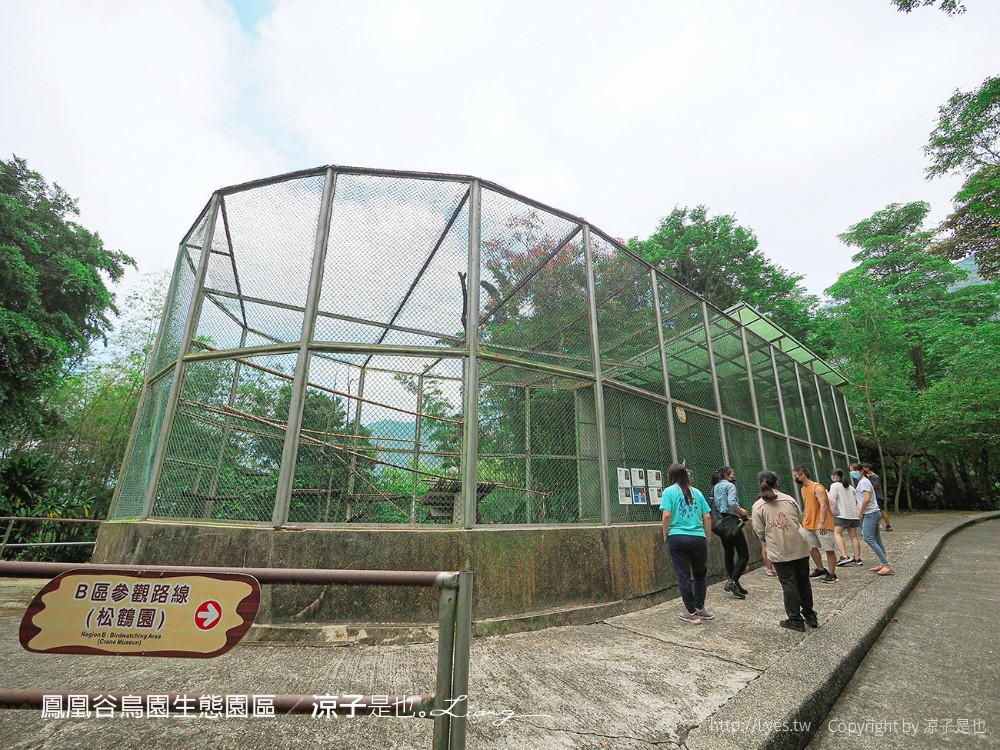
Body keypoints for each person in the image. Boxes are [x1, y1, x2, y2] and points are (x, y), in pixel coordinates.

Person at [752, 470, 817, 632]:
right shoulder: (790, 500)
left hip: (779, 549)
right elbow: (799, 520)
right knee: (803, 582)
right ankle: (810, 615)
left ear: (761, 483)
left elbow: (759, 530)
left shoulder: (758, 506)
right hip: (799, 547)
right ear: (777, 482)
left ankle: (795, 619)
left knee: (789, 584)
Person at [660, 463, 714, 624]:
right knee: (700, 573)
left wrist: (665, 533)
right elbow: (708, 516)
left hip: (677, 537)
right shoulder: (697, 492)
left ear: (671, 476)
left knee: (683, 574)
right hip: (698, 537)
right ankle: (700, 607)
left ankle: (690, 611)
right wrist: (707, 536)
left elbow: (667, 515)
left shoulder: (668, 491)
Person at [710, 466, 750, 600]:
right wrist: (741, 511)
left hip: (721, 524)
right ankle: (732, 581)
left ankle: (735, 582)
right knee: (744, 554)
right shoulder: (730, 486)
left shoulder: (715, 486)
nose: (734, 476)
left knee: (729, 552)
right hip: (731, 522)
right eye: (732, 474)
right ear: (727, 475)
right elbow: (732, 503)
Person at [793, 466, 838, 584]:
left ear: (802, 475)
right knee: (812, 547)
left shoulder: (817, 487)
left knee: (828, 548)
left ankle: (832, 573)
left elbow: (824, 505)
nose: (796, 478)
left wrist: (821, 522)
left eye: (796, 476)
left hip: (821, 523)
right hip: (808, 523)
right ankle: (820, 569)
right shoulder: (803, 489)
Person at [851, 462, 894, 575]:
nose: (852, 473)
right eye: (850, 470)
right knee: (876, 539)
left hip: (871, 513)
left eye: (853, 470)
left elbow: (866, 499)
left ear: (861, 471)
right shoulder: (862, 482)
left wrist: (861, 512)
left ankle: (886, 564)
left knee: (868, 538)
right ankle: (884, 562)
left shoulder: (864, 482)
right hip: (872, 512)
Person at [829, 468, 863, 567]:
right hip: (853, 515)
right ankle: (858, 558)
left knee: (837, 533)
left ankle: (844, 556)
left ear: (836, 476)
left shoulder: (835, 485)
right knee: (854, 536)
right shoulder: (850, 487)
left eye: (832, 475)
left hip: (842, 515)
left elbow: (832, 500)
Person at [751, 495, 779, 577]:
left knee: (764, 548)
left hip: (761, 529)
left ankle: (770, 569)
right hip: (771, 528)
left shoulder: (756, 507)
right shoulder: (770, 505)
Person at [862, 463, 893, 531]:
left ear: (867, 468)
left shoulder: (875, 476)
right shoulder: (865, 478)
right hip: (871, 497)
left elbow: (874, 486)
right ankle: (875, 525)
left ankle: (888, 525)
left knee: (881, 510)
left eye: (864, 468)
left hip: (877, 496)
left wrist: (869, 478)